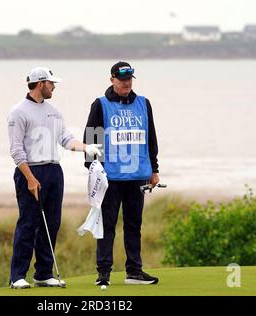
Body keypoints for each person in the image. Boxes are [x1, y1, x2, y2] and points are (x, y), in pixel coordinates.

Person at [7, 67, 101, 289]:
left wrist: (86, 148)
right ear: (40, 84)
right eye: (51, 83)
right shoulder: (18, 112)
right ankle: (17, 276)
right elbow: (16, 150)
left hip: (53, 172)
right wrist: (30, 178)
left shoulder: (54, 111)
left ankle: (43, 273)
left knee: (51, 223)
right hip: (30, 171)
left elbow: (66, 139)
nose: (54, 87)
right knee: (28, 223)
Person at [83, 61, 160, 286]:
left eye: (129, 79)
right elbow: (91, 140)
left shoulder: (144, 104)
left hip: (137, 176)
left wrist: (154, 169)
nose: (126, 83)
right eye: (122, 79)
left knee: (134, 225)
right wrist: (93, 170)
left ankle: (134, 272)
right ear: (112, 79)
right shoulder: (100, 104)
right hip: (111, 179)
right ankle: (103, 274)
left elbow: (151, 138)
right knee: (106, 226)